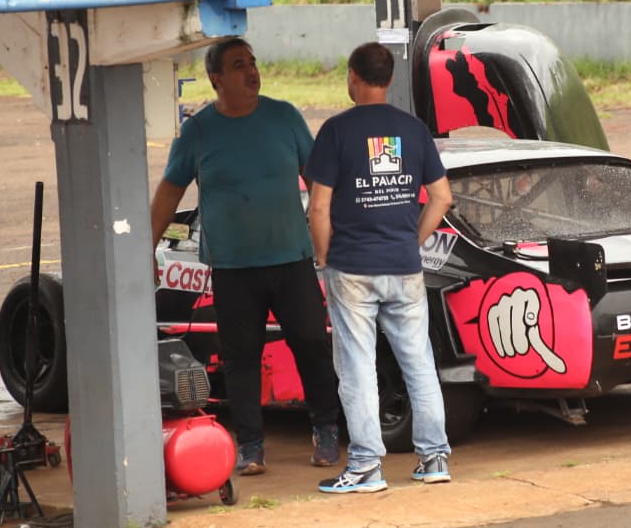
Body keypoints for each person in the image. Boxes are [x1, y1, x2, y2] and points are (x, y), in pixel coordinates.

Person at [148, 37, 341, 477]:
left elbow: (320, 183)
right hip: (233, 269)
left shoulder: (285, 117)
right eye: (239, 65)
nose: (252, 71)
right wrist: (146, 246)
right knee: (240, 358)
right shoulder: (198, 132)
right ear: (216, 78)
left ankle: (326, 429)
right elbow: (168, 193)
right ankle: (251, 446)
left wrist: (334, 233)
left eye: (252, 63)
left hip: (291, 261)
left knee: (312, 344)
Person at [307, 42, 454, 494]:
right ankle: (434, 459)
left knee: (357, 368)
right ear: (389, 79)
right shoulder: (413, 129)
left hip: (352, 267)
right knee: (419, 362)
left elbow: (318, 206)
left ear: (353, 77)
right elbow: (442, 198)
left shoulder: (336, 131)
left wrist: (323, 257)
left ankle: (367, 466)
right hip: (404, 267)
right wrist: (412, 241)